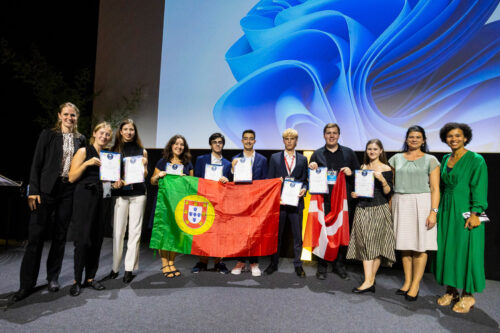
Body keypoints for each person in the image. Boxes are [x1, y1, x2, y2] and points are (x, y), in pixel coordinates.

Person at [9, 102, 86, 303]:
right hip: (45, 191)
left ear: (77, 118)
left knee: (60, 237)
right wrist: (33, 191)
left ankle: (53, 278)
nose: (70, 118)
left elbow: (82, 167)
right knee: (36, 238)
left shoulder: (81, 139)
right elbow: (36, 163)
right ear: (60, 115)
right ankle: (26, 285)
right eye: (67, 114)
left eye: (73, 115)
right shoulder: (48, 135)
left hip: (67, 191)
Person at [433, 123, 488, 313]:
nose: (453, 139)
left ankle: (467, 295)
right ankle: (451, 290)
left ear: (465, 138)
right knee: (447, 250)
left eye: (458, 136)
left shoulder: (476, 159)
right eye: (449, 136)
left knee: (466, 253)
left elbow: (479, 187)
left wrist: (476, 213)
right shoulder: (446, 158)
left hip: (466, 211)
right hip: (446, 211)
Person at [389, 125, 440, 301]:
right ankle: (407, 281)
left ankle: (416, 284)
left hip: (422, 202)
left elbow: (435, 188)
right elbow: (392, 184)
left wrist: (433, 212)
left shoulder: (431, 160)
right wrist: (390, 206)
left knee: (420, 245)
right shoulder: (395, 159)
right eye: (411, 137)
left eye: (418, 137)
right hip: (401, 201)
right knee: (405, 245)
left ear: (423, 140)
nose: (414, 139)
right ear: (406, 139)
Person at [308, 123, 360, 280]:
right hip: (323, 200)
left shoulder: (349, 153)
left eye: (334, 133)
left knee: (341, 232)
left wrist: (351, 173)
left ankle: (339, 264)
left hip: (343, 202)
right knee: (322, 233)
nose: (331, 135)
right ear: (324, 135)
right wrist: (311, 168)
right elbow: (310, 179)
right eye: (328, 133)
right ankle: (322, 266)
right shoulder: (317, 154)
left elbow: (360, 175)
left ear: (339, 135)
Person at [68, 121, 113, 296]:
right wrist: (87, 164)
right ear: (94, 133)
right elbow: (71, 177)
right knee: (82, 239)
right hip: (84, 197)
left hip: (102, 197)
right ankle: (76, 281)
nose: (104, 136)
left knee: (97, 239)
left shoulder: (110, 156)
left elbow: (109, 179)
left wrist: (115, 182)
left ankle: (90, 278)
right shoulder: (83, 151)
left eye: (107, 134)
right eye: (101, 133)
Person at [100, 119, 148, 284]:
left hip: (138, 194)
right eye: (126, 129)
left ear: (135, 132)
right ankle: (114, 269)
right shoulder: (112, 151)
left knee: (135, 233)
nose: (129, 132)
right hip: (120, 194)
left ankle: (129, 269)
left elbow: (145, 174)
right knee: (118, 232)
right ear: (120, 131)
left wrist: (145, 166)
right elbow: (108, 176)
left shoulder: (142, 151)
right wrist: (114, 182)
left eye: (131, 130)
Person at [346, 139, 395, 293]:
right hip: (362, 208)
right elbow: (361, 189)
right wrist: (355, 193)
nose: (372, 152)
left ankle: (369, 281)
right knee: (366, 245)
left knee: (376, 246)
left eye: (375, 149)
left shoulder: (386, 168)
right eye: (369, 149)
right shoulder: (363, 167)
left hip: (378, 209)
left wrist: (382, 180)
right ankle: (369, 281)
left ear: (381, 151)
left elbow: (389, 192)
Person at [264, 128, 308, 277]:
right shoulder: (275, 158)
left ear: (296, 141)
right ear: (283, 141)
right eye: (287, 139)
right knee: (277, 235)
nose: (289, 141)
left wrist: (304, 189)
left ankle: (298, 265)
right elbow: (270, 180)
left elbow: (304, 180)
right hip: (280, 203)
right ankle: (273, 263)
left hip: (296, 203)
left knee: (297, 236)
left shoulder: (302, 159)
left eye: (292, 139)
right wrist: (276, 183)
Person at [150, 134, 194, 278]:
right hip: (164, 203)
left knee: (175, 233)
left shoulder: (188, 164)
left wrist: (185, 179)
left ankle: (172, 262)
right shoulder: (163, 162)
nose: (179, 146)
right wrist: (159, 175)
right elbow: (152, 181)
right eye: (176, 144)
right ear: (171, 145)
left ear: (184, 148)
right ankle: (164, 264)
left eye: (181, 144)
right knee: (164, 232)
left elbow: (193, 185)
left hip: (179, 204)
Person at [191, 133, 231, 274]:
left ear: (223, 145)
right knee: (203, 232)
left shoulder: (228, 163)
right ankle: (202, 262)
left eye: (220, 142)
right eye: (214, 142)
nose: (217, 144)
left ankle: (219, 263)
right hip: (203, 200)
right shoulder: (201, 160)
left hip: (220, 202)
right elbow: (195, 179)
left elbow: (230, 184)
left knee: (219, 234)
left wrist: (227, 179)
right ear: (210, 144)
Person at [230, 129, 268, 276]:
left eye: (251, 138)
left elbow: (265, 181)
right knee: (240, 233)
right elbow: (231, 182)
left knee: (254, 233)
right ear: (241, 141)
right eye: (245, 138)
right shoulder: (235, 159)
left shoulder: (262, 160)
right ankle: (240, 261)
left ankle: (254, 263)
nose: (248, 141)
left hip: (256, 202)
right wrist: (233, 169)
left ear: (255, 141)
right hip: (240, 202)